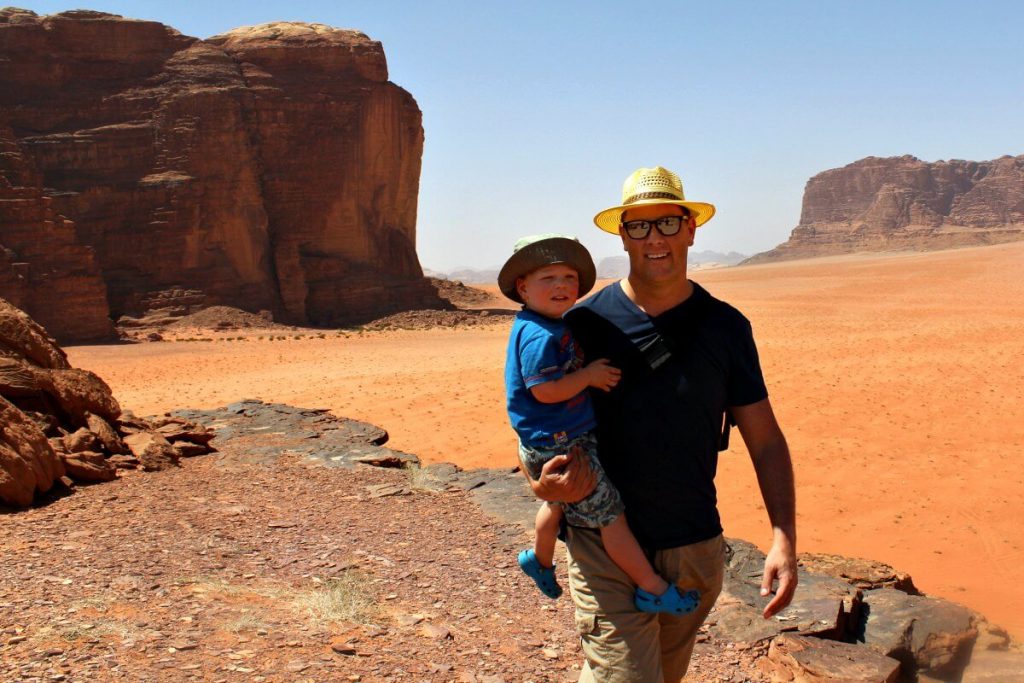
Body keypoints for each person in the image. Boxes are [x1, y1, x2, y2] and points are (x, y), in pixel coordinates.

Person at [527, 167, 798, 682]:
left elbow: (765, 440)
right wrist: (540, 483)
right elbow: (536, 416)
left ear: (691, 229)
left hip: (693, 547)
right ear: (622, 235)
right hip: (602, 540)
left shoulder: (726, 328)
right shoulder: (583, 325)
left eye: (668, 223)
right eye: (639, 226)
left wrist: (783, 536)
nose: (655, 239)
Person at [499, 233, 701, 615]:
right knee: (611, 517)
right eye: (548, 278)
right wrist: (588, 376)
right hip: (562, 444)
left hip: (545, 440)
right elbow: (544, 391)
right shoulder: (541, 335)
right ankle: (653, 587)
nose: (561, 286)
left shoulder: (542, 324)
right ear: (523, 287)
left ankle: (538, 560)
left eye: (568, 278)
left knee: (556, 505)